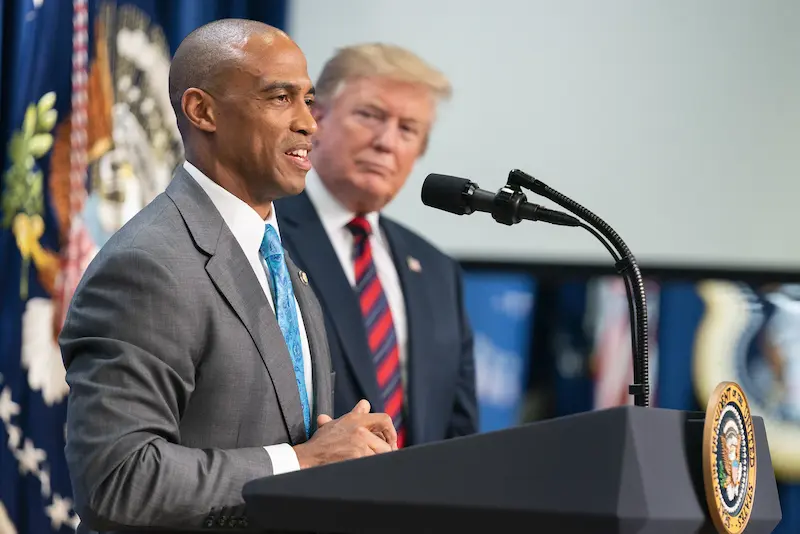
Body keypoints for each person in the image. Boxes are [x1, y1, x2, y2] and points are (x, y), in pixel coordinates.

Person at [59, 20, 396, 533]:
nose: (309, 124)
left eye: (309, 100)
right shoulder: (148, 266)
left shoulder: (282, 260)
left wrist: (346, 451)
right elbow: (118, 480)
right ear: (203, 110)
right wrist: (302, 461)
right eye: (280, 98)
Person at [275, 43, 478, 448]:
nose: (386, 141)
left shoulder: (438, 270)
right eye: (369, 115)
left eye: (408, 129)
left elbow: (460, 436)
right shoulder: (268, 231)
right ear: (317, 118)